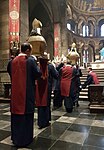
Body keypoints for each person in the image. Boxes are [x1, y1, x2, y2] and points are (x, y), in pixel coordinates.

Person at [7, 43, 42, 147]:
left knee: (16, 116)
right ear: (27, 51)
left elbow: (10, 73)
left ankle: (16, 138)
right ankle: (25, 139)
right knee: (26, 116)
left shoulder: (11, 61)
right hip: (27, 93)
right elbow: (37, 74)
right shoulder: (30, 60)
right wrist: (38, 66)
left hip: (15, 93)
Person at [35, 59, 58, 129]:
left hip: (38, 87)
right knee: (46, 104)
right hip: (47, 87)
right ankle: (45, 121)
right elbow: (56, 75)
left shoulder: (37, 67)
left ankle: (40, 122)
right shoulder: (50, 66)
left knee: (40, 104)